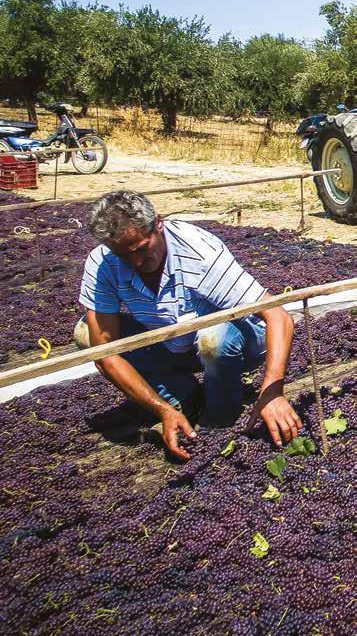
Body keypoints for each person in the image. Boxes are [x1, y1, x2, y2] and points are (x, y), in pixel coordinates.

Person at [76, 190, 302, 459]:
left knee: (213, 337)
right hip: (171, 343)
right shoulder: (103, 262)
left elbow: (277, 314)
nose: (136, 262)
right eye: (124, 256)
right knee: (86, 333)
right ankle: (183, 399)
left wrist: (272, 391)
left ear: (158, 224)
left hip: (237, 341)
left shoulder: (198, 253)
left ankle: (221, 416)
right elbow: (105, 351)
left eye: (141, 250)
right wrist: (162, 410)